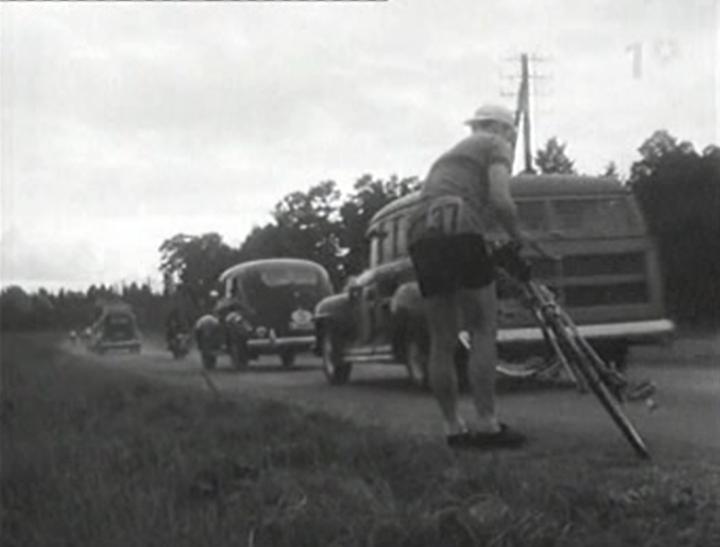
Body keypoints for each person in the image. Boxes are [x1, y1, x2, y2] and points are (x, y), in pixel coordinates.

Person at [407, 104, 528, 449]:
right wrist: (520, 238)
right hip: (460, 222)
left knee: (442, 338)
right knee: (482, 328)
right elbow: (501, 200)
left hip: (420, 231)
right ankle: (488, 424)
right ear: (504, 130)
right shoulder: (495, 145)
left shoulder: (448, 159)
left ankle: (452, 428)